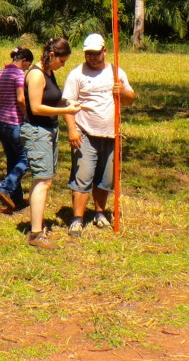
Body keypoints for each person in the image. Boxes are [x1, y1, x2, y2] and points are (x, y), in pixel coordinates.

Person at [62, 32, 135, 238]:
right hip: (85, 133)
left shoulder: (116, 72)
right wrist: (72, 129)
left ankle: (100, 212)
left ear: (104, 50)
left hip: (111, 134)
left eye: (95, 53)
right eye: (88, 54)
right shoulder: (77, 74)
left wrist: (122, 92)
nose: (92, 57)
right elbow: (68, 104)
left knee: (105, 178)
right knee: (82, 177)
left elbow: (130, 100)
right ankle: (77, 218)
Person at [22, 37, 81, 250]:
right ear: (53, 56)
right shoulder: (36, 75)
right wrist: (66, 111)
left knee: (45, 179)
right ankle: (36, 234)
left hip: (48, 130)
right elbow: (36, 107)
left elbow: (52, 99)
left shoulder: (49, 73)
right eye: (62, 61)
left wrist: (67, 103)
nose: (63, 65)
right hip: (37, 131)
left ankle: (38, 227)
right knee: (42, 180)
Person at [0, 46, 35, 211]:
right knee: (26, 159)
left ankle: (16, 199)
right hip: (14, 123)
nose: (27, 69)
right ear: (24, 61)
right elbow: (20, 99)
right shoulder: (19, 75)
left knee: (13, 159)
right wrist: (28, 116)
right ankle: (5, 187)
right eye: (28, 65)